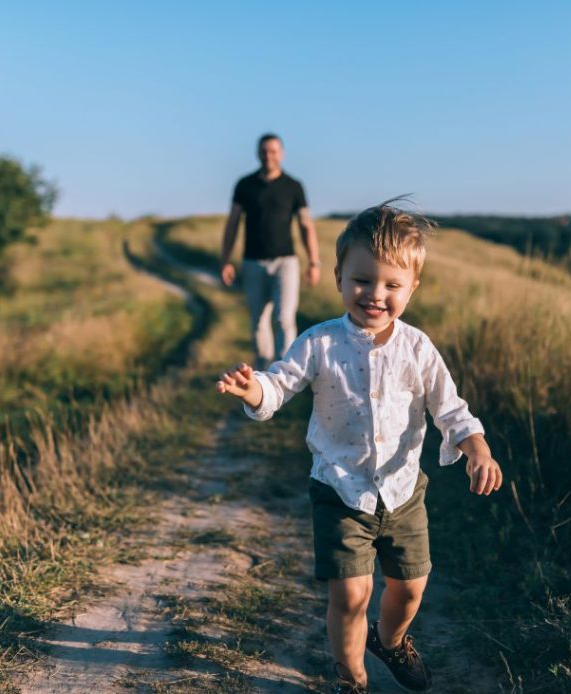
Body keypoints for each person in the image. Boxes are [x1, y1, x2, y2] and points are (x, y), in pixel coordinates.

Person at [215, 201, 504, 694]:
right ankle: (351, 678)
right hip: (340, 490)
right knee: (350, 595)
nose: (375, 294)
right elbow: (279, 384)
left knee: (409, 589)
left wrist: (476, 447)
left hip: (403, 492)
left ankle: (390, 641)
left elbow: (450, 408)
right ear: (339, 278)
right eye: (362, 280)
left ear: (412, 288)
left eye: (392, 285)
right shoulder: (320, 343)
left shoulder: (417, 348)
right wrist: (254, 390)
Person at [220, 133, 321, 369]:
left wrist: (314, 262)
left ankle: (286, 372)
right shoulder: (245, 185)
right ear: (258, 154)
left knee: (284, 319)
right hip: (253, 262)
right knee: (258, 321)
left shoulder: (293, 186)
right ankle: (263, 371)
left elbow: (305, 225)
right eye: (264, 151)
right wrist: (225, 260)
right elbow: (233, 223)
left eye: (273, 151)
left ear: (281, 154)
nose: (268, 156)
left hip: (286, 262)